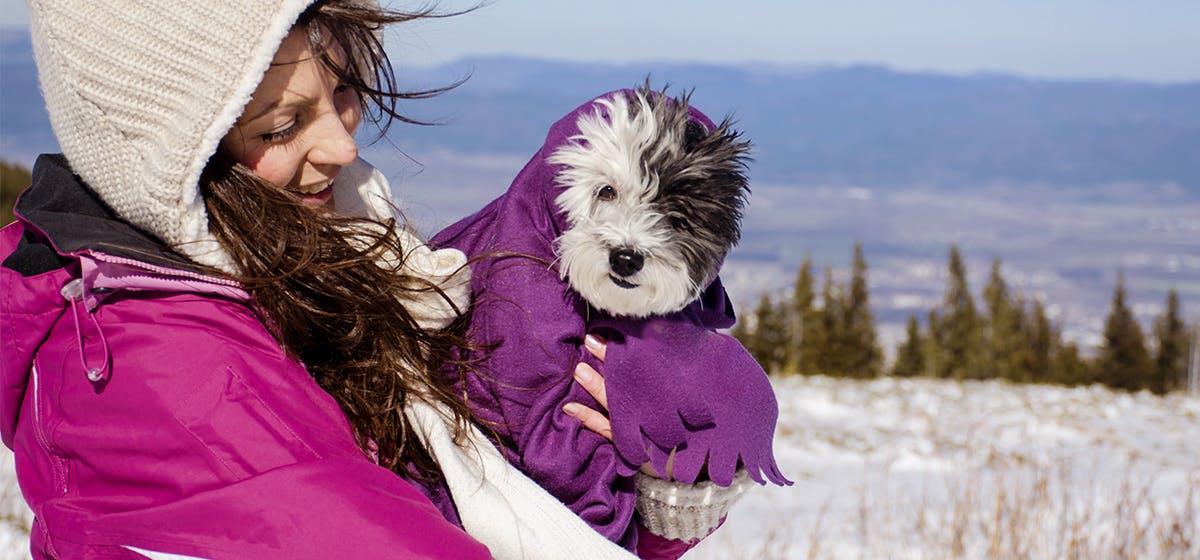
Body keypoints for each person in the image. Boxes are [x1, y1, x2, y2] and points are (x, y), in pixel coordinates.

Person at [0, 0, 744, 558]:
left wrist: (649, 508)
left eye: (345, 91)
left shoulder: (329, 276)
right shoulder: (166, 374)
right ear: (167, 161)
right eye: (280, 128)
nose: (341, 144)